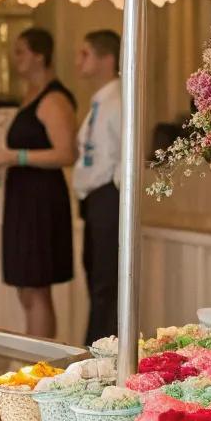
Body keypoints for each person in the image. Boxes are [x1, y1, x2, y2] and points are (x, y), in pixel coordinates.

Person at [0, 27, 77, 341]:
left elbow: (67, 153)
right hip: (23, 197)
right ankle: (34, 355)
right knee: (26, 287)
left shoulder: (53, 98)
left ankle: (43, 362)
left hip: (41, 199)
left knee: (37, 286)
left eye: (21, 52)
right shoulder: (30, 96)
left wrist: (14, 156)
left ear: (40, 55)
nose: (15, 59)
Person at [74, 30, 122, 344]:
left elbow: (121, 155)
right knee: (94, 276)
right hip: (94, 197)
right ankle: (95, 345)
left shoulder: (117, 102)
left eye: (85, 54)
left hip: (109, 195)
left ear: (106, 59)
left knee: (105, 281)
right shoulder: (99, 103)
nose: (79, 61)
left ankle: (101, 348)